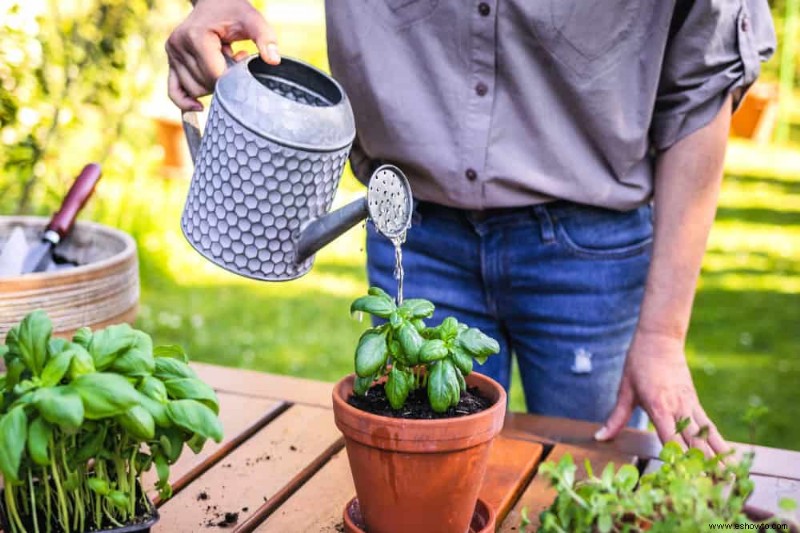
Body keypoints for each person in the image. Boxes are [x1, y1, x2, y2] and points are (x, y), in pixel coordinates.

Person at [166, 0, 775, 453]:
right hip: (414, 228)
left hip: (590, 253)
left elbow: (704, 77)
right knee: (419, 484)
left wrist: (664, 336)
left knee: (592, 482)